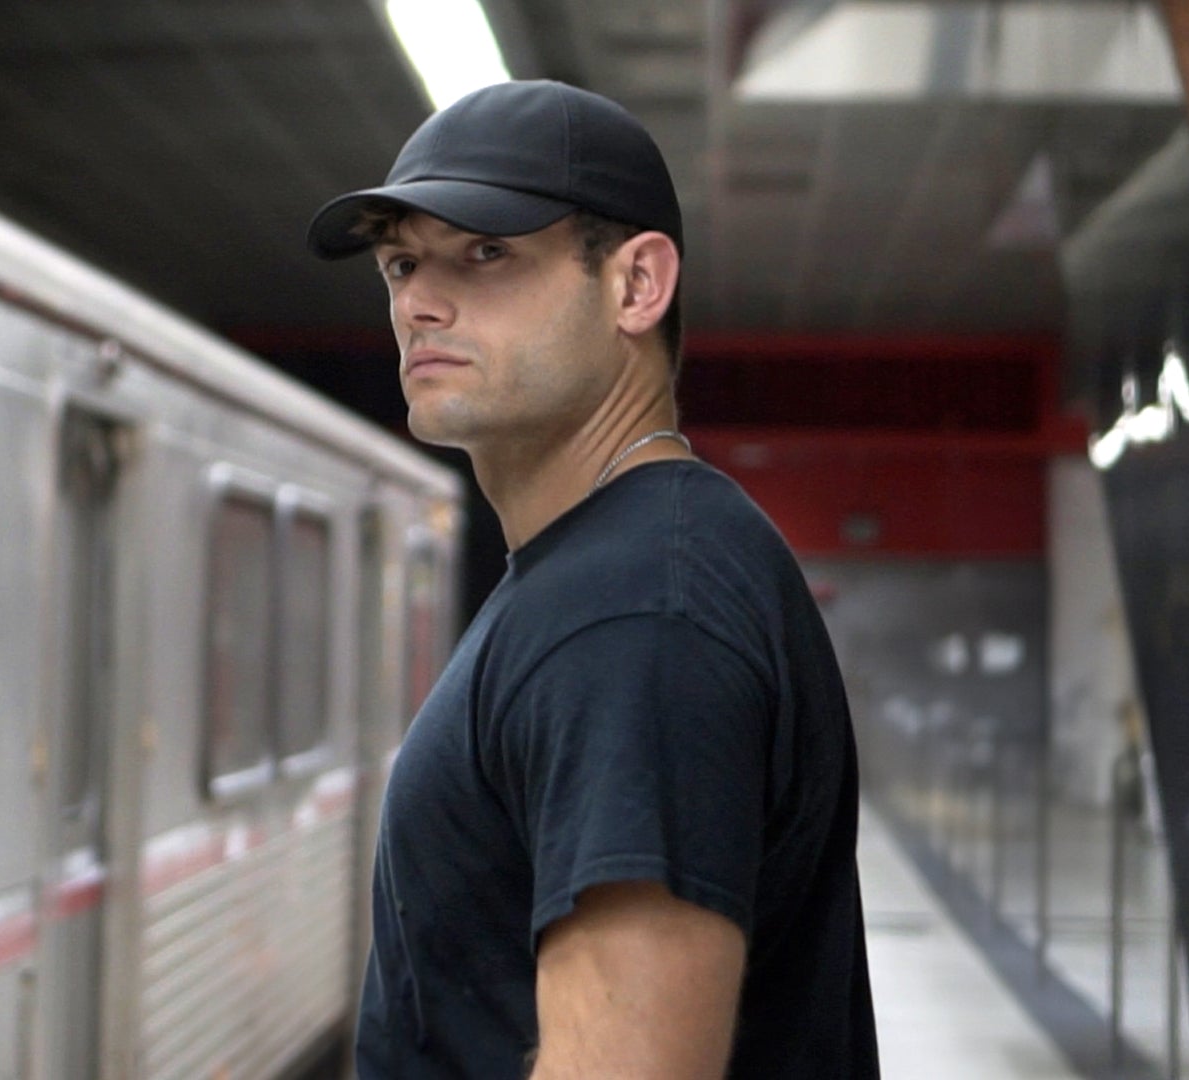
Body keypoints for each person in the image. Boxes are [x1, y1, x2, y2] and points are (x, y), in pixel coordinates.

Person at [307, 80, 878, 1078]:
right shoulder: (615, 570)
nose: (419, 302)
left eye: (486, 253)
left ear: (635, 286)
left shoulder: (634, 615)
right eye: (402, 262)